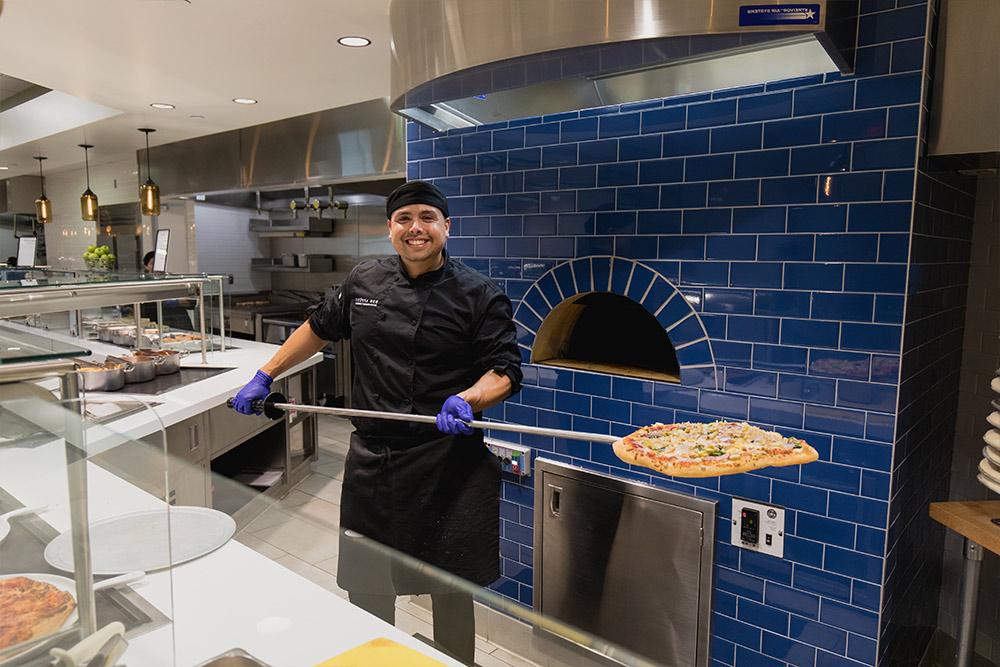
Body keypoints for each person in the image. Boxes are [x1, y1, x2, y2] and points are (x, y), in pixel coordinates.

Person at [232, 180, 522, 664]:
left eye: (427, 218)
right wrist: (265, 374)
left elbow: (507, 371)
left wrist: (468, 399)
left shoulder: (479, 295)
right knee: (367, 586)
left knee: (448, 591)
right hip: (374, 460)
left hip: (446, 460)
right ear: (390, 229)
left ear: (446, 227)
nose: (416, 228)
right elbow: (317, 329)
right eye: (404, 219)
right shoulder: (363, 282)